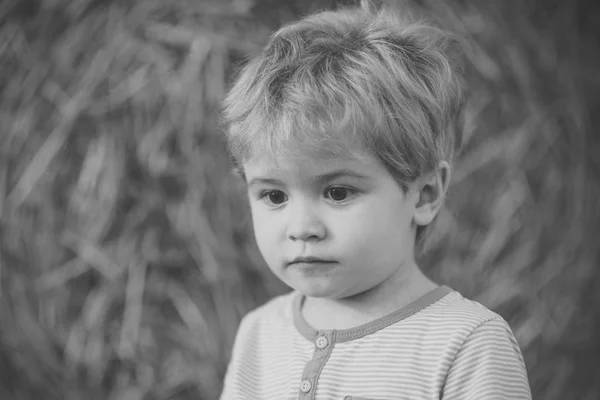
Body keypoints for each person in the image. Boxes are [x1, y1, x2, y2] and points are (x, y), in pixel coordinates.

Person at [218, 0, 532, 398]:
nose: (302, 229)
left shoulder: (465, 345)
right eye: (274, 195)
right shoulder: (259, 334)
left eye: (337, 192)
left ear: (426, 194)